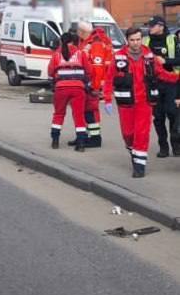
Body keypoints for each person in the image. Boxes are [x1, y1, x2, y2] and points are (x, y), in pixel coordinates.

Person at [112, 26, 179, 178]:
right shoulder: (118, 57)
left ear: (141, 39)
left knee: (142, 133)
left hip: (144, 103)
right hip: (126, 103)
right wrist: (108, 100)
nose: (135, 43)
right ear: (127, 41)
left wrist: (177, 77)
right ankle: (134, 151)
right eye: (132, 40)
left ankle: (139, 167)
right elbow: (110, 77)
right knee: (128, 134)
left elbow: (162, 74)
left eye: (138, 39)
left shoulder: (149, 56)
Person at [47, 32, 90, 151]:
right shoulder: (81, 54)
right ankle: (81, 143)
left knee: (59, 114)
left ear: (61, 41)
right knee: (79, 115)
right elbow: (89, 71)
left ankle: (55, 141)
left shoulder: (56, 55)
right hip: (78, 89)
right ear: (73, 41)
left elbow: (50, 72)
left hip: (61, 88)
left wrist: (53, 83)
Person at [144, 15, 179, 157]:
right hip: (154, 83)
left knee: (172, 114)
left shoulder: (172, 39)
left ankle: (176, 146)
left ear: (161, 26)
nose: (150, 28)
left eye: (152, 26)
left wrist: (165, 61)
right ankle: (163, 147)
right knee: (158, 117)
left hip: (171, 83)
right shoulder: (146, 41)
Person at [76, 20, 113, 149]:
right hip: (87, 83)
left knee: (90, 111)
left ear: (82, 32)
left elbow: (97, 68)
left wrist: (95, 87)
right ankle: (85, 136)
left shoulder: (95, 44)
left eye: (78, 31)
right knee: (84, 111)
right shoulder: (87, 42)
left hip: (92, 85)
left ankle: (95, 138)